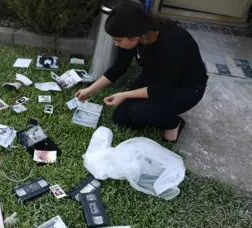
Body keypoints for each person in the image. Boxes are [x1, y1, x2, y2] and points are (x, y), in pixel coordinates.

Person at [76, 2, 208, 142]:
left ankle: (174, 123)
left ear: (134, 36)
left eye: (118, 40)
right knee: (121, 118)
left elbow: (163, 88)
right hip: (156, 76)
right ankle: (158, 112)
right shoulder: (134, 37)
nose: (116, 44)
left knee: (138, 112)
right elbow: (119, 67)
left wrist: (125, 95)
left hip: (186, 87)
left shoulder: (172, 41)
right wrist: (90, 90)